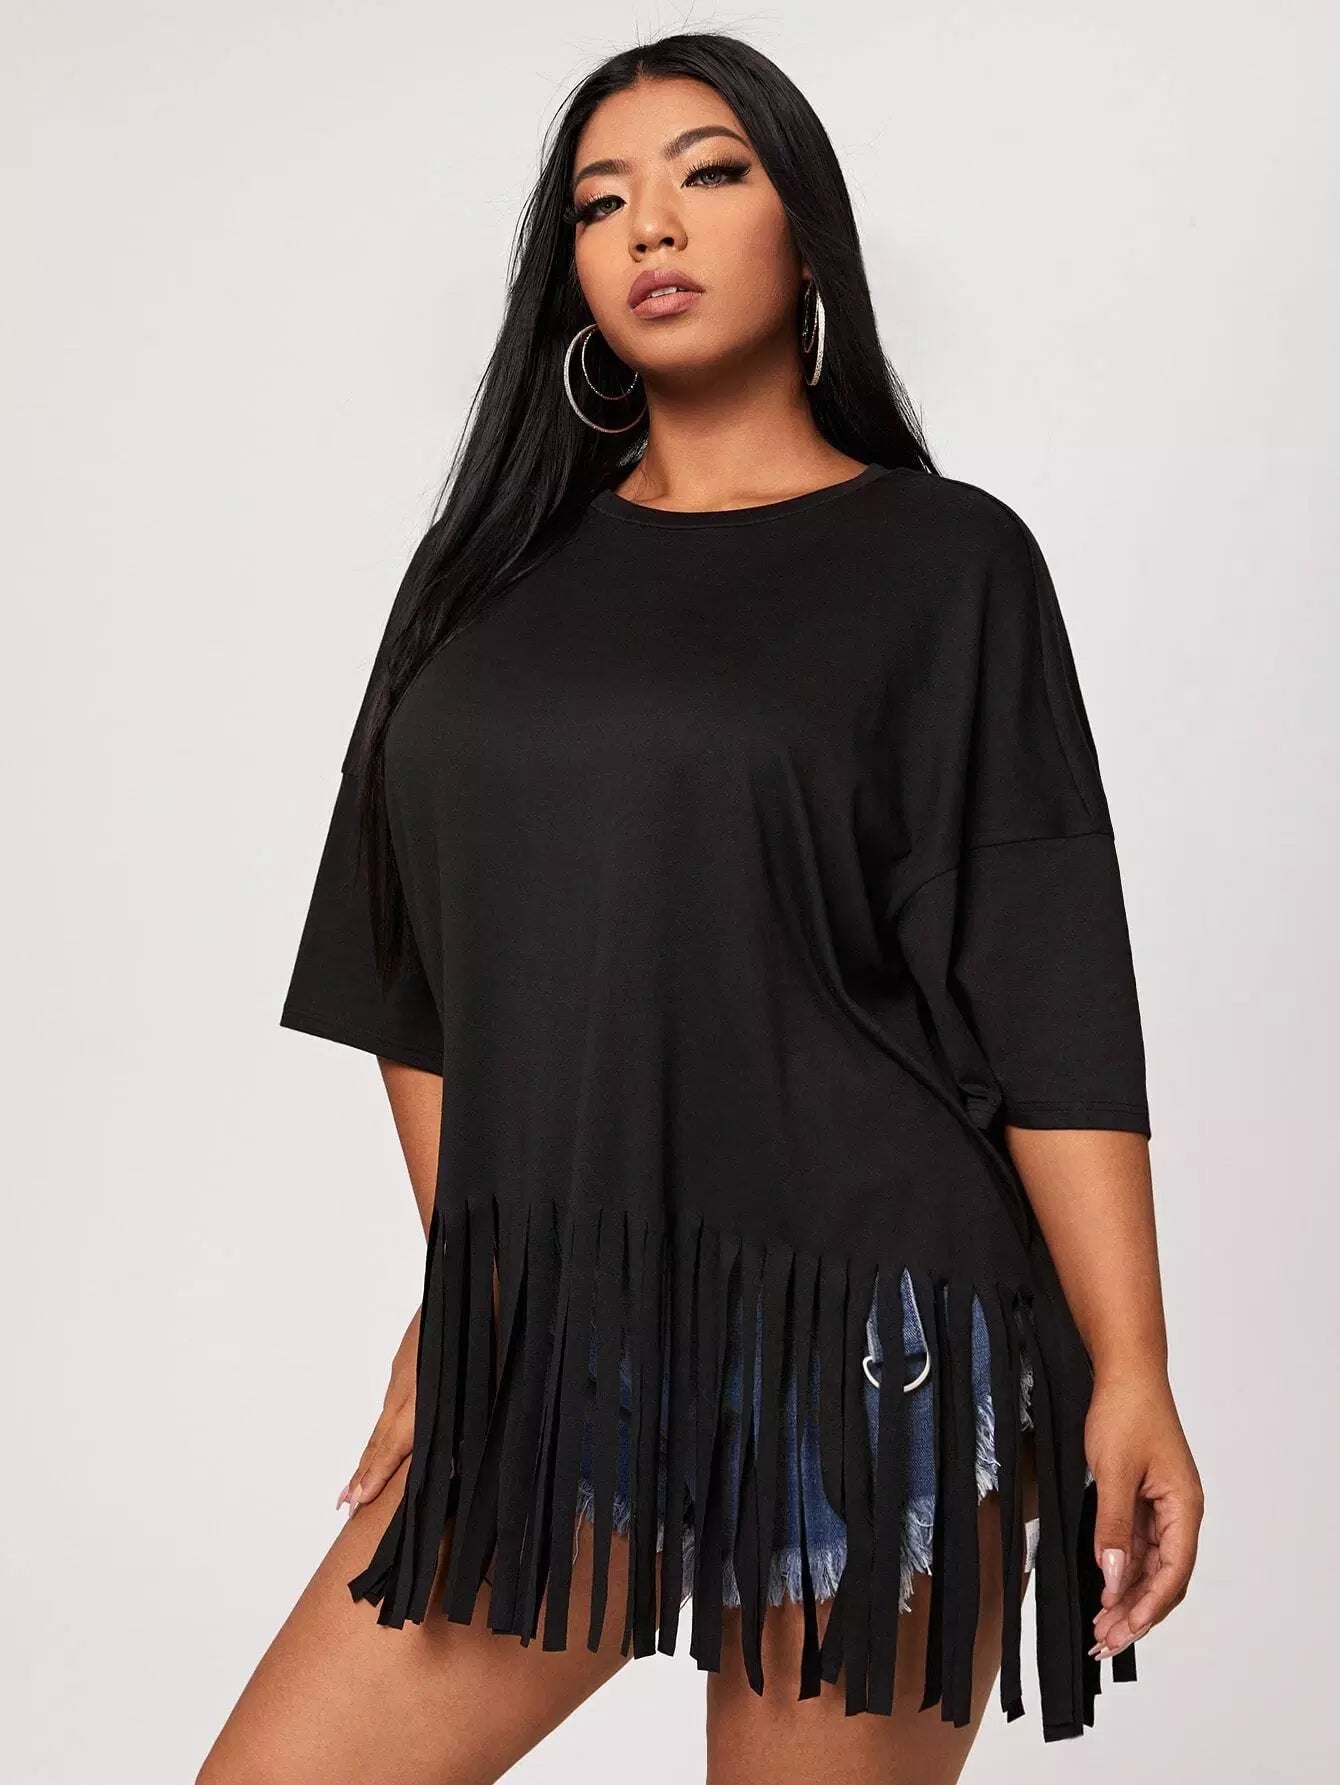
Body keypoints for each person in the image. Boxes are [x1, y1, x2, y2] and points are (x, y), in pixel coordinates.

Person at [198, 29, 1202, 1785]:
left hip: (878, 1345)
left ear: (805, 231)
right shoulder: (485, 577)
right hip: (575, 1334)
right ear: (574, 274)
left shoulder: (945, 563)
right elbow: (405, 973)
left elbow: (1045, 984)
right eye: (602, 201)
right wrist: (480, 1296)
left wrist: (1133, 1364)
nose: (650, 224)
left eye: (708, 174)